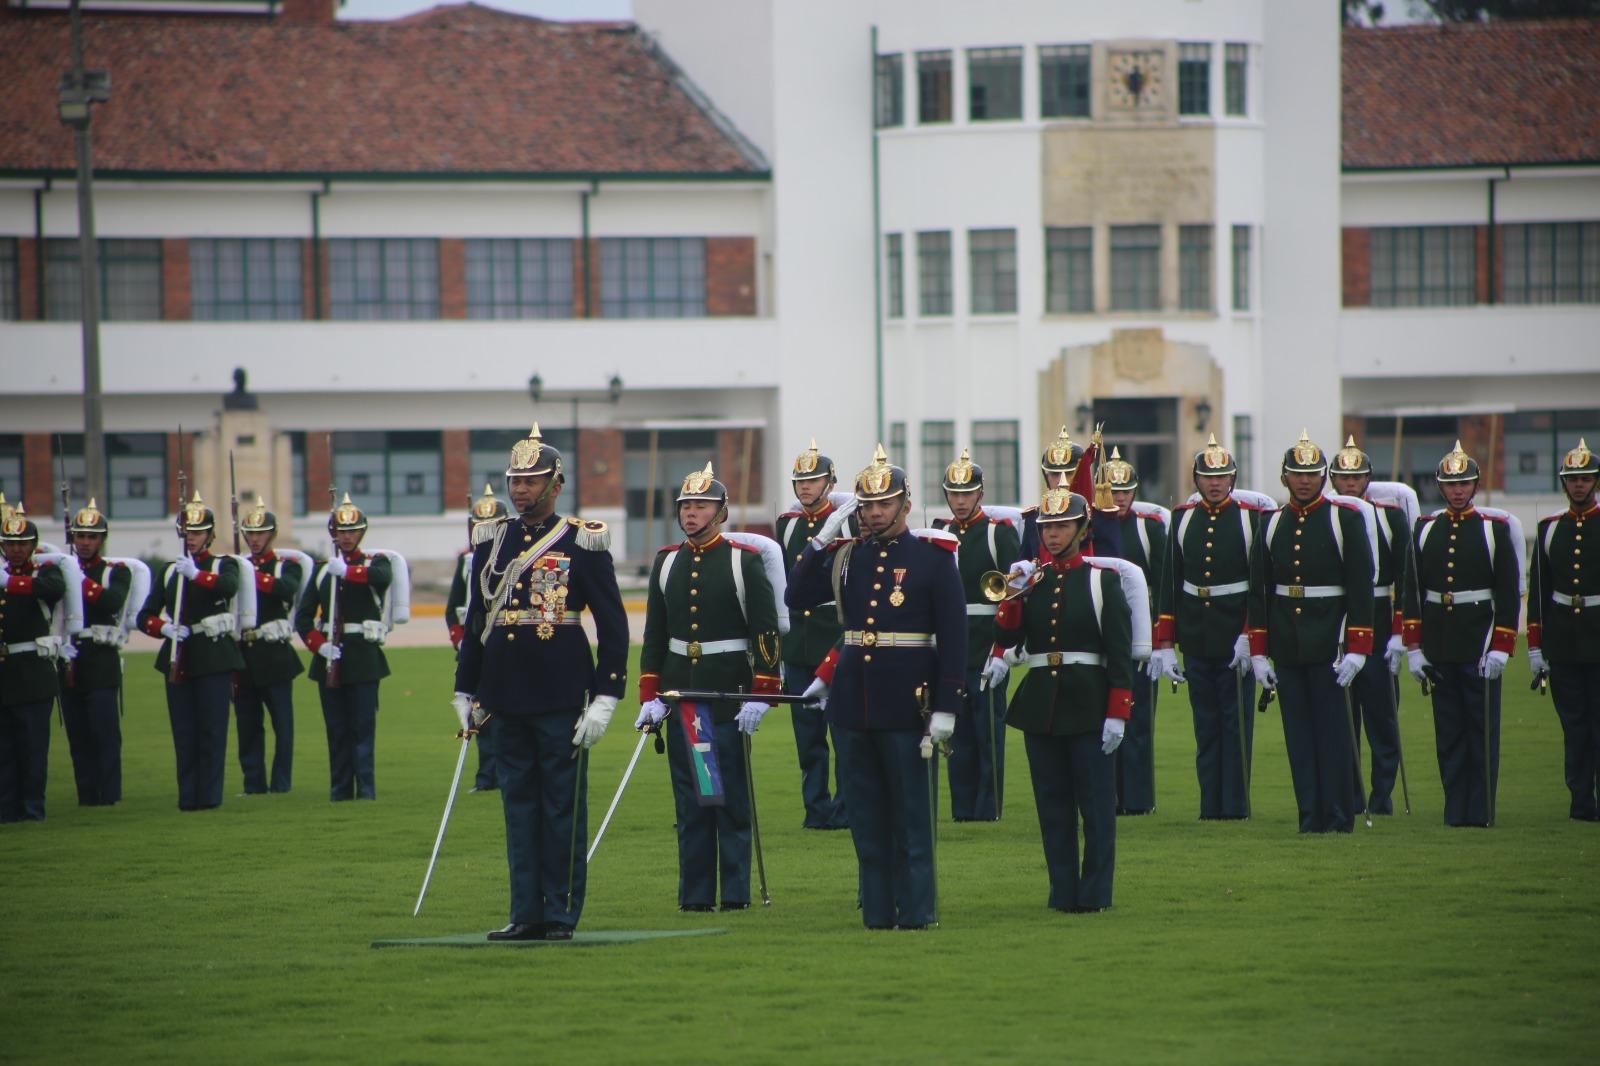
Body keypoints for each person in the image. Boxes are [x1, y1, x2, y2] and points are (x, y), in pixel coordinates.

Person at [454, 424, 629, 941]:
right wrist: (465, 688)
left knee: (561, 807)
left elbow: (613, 624)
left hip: (560, 691)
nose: (520, 489)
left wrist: (606, 696)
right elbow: (476, 620)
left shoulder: (582, 540)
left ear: (556, 484)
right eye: (515, 480)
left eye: (531, 481)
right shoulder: (492, 539)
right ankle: (525, 911)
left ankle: (560, 912)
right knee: (518, 807)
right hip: (504, 692)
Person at [785, 445, 967, 930]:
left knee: (911, 816)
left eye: (883, 504)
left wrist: (947, 706)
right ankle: (879, 913)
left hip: (909, 702)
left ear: (905, 505)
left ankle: (918, 910)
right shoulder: (847, 557)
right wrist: (822, 540)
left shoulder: (932, 559)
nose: (873, 513)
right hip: (853, 703)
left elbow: (953, 637)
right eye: (866, 505)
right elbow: (797, 595)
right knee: (866, 819)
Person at [636, 462, 782, 912]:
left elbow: (766, 633)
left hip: (728, 696)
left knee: (730, 799)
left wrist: (763, 693)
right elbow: (655, 637)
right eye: (685, 506)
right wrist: (650, 697)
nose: (691, 513)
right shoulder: (666, 562)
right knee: (692, 800)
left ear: (720, 512)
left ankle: (735, 894)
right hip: (682, 697)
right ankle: (695, 896)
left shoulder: (743, 561)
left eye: (701, 505)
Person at [987, 488, 1132, 911]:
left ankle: (1096, 894)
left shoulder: (1102, 580)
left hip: (1089, 703)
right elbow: (1008, 639)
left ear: (1082, 528)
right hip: (1041, 706)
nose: (1052, 535)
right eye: (1046, 527)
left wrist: (1118, 712)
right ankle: (1062, 892)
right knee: (1052, 809)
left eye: (1061, 526)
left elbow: (1119, 652)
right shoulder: (1032, 580)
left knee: (1097, 809)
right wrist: (1013, 595)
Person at [1246, 431, 1375, 834]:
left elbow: (1360, 586)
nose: (1305, 481)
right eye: (1297, 474)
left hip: (1329, 643)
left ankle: (1338, 815)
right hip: (1288, 643)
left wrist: (1358, 648)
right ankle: (1310, 817)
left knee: (1333, 734)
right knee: (1298, 737)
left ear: (1323, 477)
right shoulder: (1270, 523)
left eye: (1312, 474)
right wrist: (1258, 652)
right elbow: (1260, 591)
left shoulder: (1345, 518)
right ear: (1284, 478)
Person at [1402, 441, 1520, 827]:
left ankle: (1481, 808)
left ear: (1475, 485)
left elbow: (1507, 592)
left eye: (1464, 483)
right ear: (1439, 486)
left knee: (1481, 730)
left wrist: (1502, 645)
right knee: (1449, 732)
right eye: (1451, 484)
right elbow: (1413, 592)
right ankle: (1456, 808)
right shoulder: (1424, 529)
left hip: (1479, 642)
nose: (1458, 490)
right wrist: (1414, 648)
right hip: (1440, 644)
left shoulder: (1494, 529)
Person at [1151, 434, 1264, 820]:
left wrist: (1251, 636)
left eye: (1222, 477)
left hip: (1235, 636)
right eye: (1207, 477)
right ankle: (1209, 806)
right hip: (1196, 634)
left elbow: (1258, 586)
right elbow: (1170, 581)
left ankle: (1235, 806)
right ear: (1196, 480)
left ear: (1232, 479)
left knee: (1236, 726)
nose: (1214, 483)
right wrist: (1165, 643)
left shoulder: (1251, 518)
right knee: (1206, 726)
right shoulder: (1182, 518)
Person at [137, 492, 245, 812]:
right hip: (179, 654)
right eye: (188, 532)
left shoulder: (222, 565)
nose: (193, 537)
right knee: (184, 731)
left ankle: (210, 796)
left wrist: (197, 575)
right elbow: (145, 616)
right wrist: (164, 629)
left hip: (213, 655)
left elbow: (228, 587)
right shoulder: (170, 571)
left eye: (199, 532)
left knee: (212, 729)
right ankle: (188, 797)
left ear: (210, 535)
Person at [934, 447, 1020, 821]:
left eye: (967, 493)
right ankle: (962, 808)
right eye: (954, 493)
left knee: (987, 733)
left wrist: (1002, 651)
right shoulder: (940, 532)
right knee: (957, 733)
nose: (960, 501)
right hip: (951, 648)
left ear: (980, 494)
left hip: (986, 646)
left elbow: (1014, 595)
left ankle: (989, 809)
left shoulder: (996, 533)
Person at [1329, 437, 1410, 814]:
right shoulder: (1326, 515)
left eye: (1357, 476)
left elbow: (1405, 579)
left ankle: (1382, 796)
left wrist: (1399, 633)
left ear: (1368, 479)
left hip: (1377, 619)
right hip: (1337, 620)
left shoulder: (1390, 517)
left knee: (1382, 717)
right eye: (1343, 477)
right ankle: (1351, 795)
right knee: (1343, 721)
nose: (1350, 484)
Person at [775, 441, 853, 829]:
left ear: (830, 482)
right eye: (800, 481)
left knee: (841, 730)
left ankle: (845, 808)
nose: (805, 487)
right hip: (798, 639)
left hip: (832, 633)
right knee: (807, 736)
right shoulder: (786, 524)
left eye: (813, 480)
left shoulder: (848, 519)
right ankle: (816, 809)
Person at [295, 493, 391, 802]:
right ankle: (339, 789)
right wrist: (319, 646)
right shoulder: (323, 570)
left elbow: (381, 577)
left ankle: (366, 788)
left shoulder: (374, 562)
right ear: (333, 533)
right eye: (341, 531)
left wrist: (348, 572)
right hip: (329, 658)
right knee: (336, 729)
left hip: (362, 657)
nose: (346, 537)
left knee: (362, 728)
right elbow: (303, 617)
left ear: (361, 533)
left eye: (352, 531)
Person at [1527, 439, 1599, 820]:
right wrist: (1536, 648)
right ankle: (1580, 801)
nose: (1579, 486)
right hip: (1564, 644)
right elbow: (1538, 592)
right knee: (1574, 727)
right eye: (1572, 479)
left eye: (1585, 478)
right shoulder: (1549, 528)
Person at [1103, 448, 1165, 815]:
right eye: (1113, 491)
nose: (1121, 498)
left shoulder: (1148, 527)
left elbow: (1160, 586)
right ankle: (1109, 795)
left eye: (1126, 491)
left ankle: (1139, 800)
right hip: (1104, 635)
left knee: (1138, 720)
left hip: (1139, 632)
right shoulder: (1092, 526)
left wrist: (1157, 642)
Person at [62, 498, 131, 806]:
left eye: (91, 537)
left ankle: (110, 795)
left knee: (105, 735)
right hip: (69, 658)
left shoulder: (114, 571)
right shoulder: (61, 569)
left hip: (100, 659)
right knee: (78, 737)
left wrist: (77, 578)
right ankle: (86, 796)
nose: (85, 542)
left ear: (102, 539)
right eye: (80, 536)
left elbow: (111, 602)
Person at [1, 504, 65, 822]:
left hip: (32, 674)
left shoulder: (45, 570)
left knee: (32, 748)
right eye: (10, 544)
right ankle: (7, 809)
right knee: (5, 751)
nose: (15, 550)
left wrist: (9, 583)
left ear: (33, 545)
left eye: (21, 544)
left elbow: (54, 589)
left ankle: (32, 807)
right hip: (4, 674)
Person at [235, 497, 303, 795]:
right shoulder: (236, 567)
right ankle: (253, 784)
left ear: (271, 535)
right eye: (249, 534)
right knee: (247, 725)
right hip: (243, 655)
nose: (254, 539)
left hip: (274, 655)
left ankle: (281, 783)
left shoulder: (284, 566)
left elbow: (286, 589)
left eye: (260, 533)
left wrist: (248, 576)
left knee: (282, 726)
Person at [449, 484, 508, 793]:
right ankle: (486, 778)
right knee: (479, 714)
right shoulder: (466, 562)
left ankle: (506, 774)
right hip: (477, 647)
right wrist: (462, 643)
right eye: (479, 525)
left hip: (506, 647)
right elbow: (453, 611)